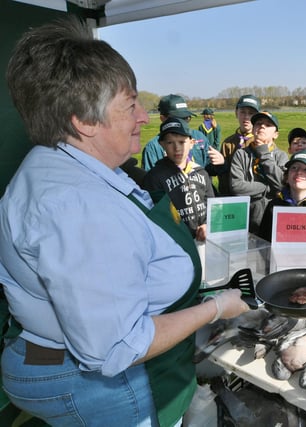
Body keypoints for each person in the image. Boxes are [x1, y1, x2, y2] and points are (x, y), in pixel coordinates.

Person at [0, 18, 249, 427]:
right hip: (99, 386)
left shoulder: (71, 165)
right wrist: (216, 307)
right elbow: (116, 346)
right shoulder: (76, 207)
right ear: (84, 120)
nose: (144, 117)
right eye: (130, 105)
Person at [143, 117, 215, 242]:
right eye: (170, 143)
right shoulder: (155, 177)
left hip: (203, 240)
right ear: (162, 145)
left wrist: (208, 225)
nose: (177, 148)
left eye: (182, 142)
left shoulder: (201, 173)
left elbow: (212, 207)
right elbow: (155, 218)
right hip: (175, 243)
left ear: (192, 143)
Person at [229, 111, 288, 233]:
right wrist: (267, 188)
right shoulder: (241, 154)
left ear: (276, 134)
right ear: (253, 129)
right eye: (259, 123)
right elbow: (237, 187)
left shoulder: (281, 156)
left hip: (273, 219)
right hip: (246, 218)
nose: (262, 126)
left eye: (268, 125)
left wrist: (264, 154)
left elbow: (282, 185)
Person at [141, 94, 212, 171]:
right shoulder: (153, 147)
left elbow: (209, 168)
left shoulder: (199, 137)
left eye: (186, 118)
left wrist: (219, 164)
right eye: (177, 119)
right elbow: (149, 179)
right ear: (162, 118)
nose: (182, 124)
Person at [214, 94, 261, 196]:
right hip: (231, 197)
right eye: (242, 112)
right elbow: (222, 177)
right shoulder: (228, 143)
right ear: (236, 113)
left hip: (256, 198)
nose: (246, 117)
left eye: (251, 113)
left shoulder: (261, 142)